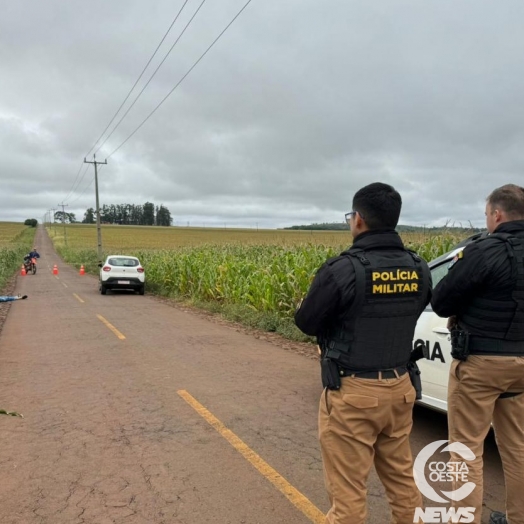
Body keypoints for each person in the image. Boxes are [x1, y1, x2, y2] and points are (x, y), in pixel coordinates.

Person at [295, 182, 431, 524]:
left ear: (358, 220)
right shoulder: (419, 267)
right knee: (402, 481)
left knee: (348, 494)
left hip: (353, 392)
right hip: (401, 389)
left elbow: (307, 322)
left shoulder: (343, 269)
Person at [431, 184, 524, 524]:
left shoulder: (484, 251)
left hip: (481, 363)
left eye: (487, 214)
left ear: (497, 215)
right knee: (517, 448)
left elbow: (441, 301)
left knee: (466, 450)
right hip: (522, 367)